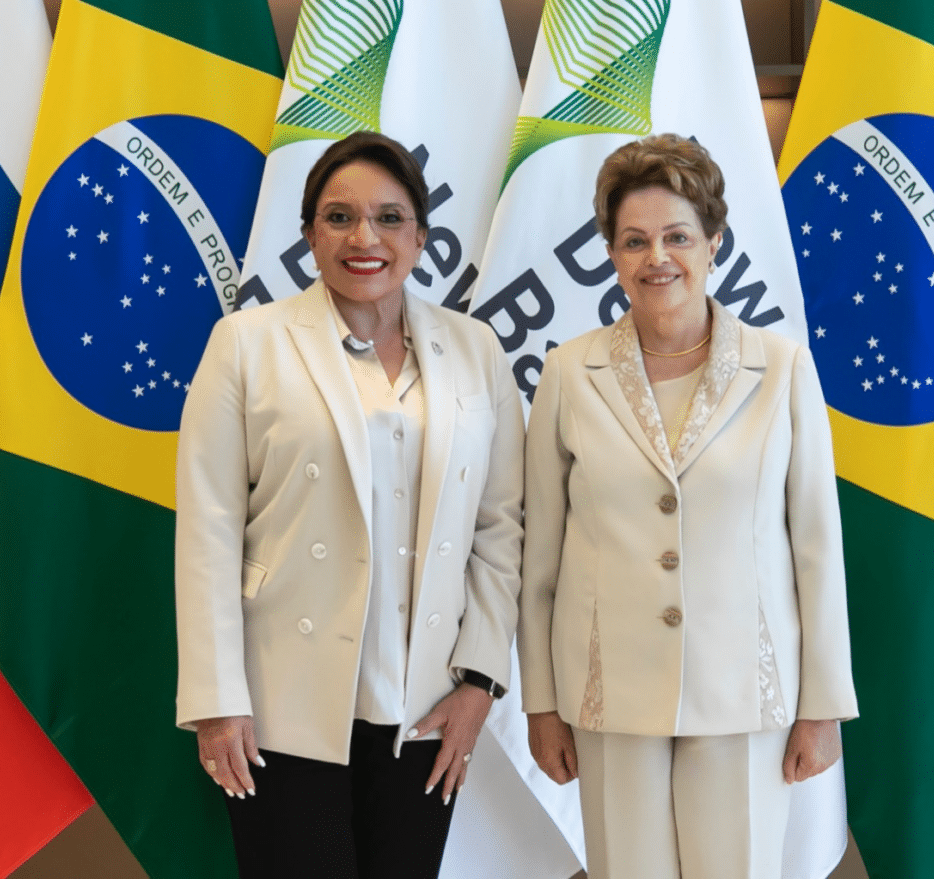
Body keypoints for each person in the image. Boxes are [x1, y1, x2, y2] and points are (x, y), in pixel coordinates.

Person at [174, 131, 524, 879]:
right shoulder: (245, 344)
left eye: (390, 218)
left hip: (426, 709)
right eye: (339, 217)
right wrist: (215, 697)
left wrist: (479, 685)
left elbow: (500, 529)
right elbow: (207, 529)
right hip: (279, 707)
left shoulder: (477, 350)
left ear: (422, 236)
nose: (365, 238)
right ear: (307, 234)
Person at [518, 133, 859, 879]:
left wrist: (822, 703)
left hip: (746, 691)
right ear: (611, 253)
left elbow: (816, 545)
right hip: (610, 695)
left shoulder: (783, 370)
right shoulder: (569, 374)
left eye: (677, 236)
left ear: (714, 243)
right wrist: (541, 703)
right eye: (634, 240)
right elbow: (538, 554)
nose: (656, 258)